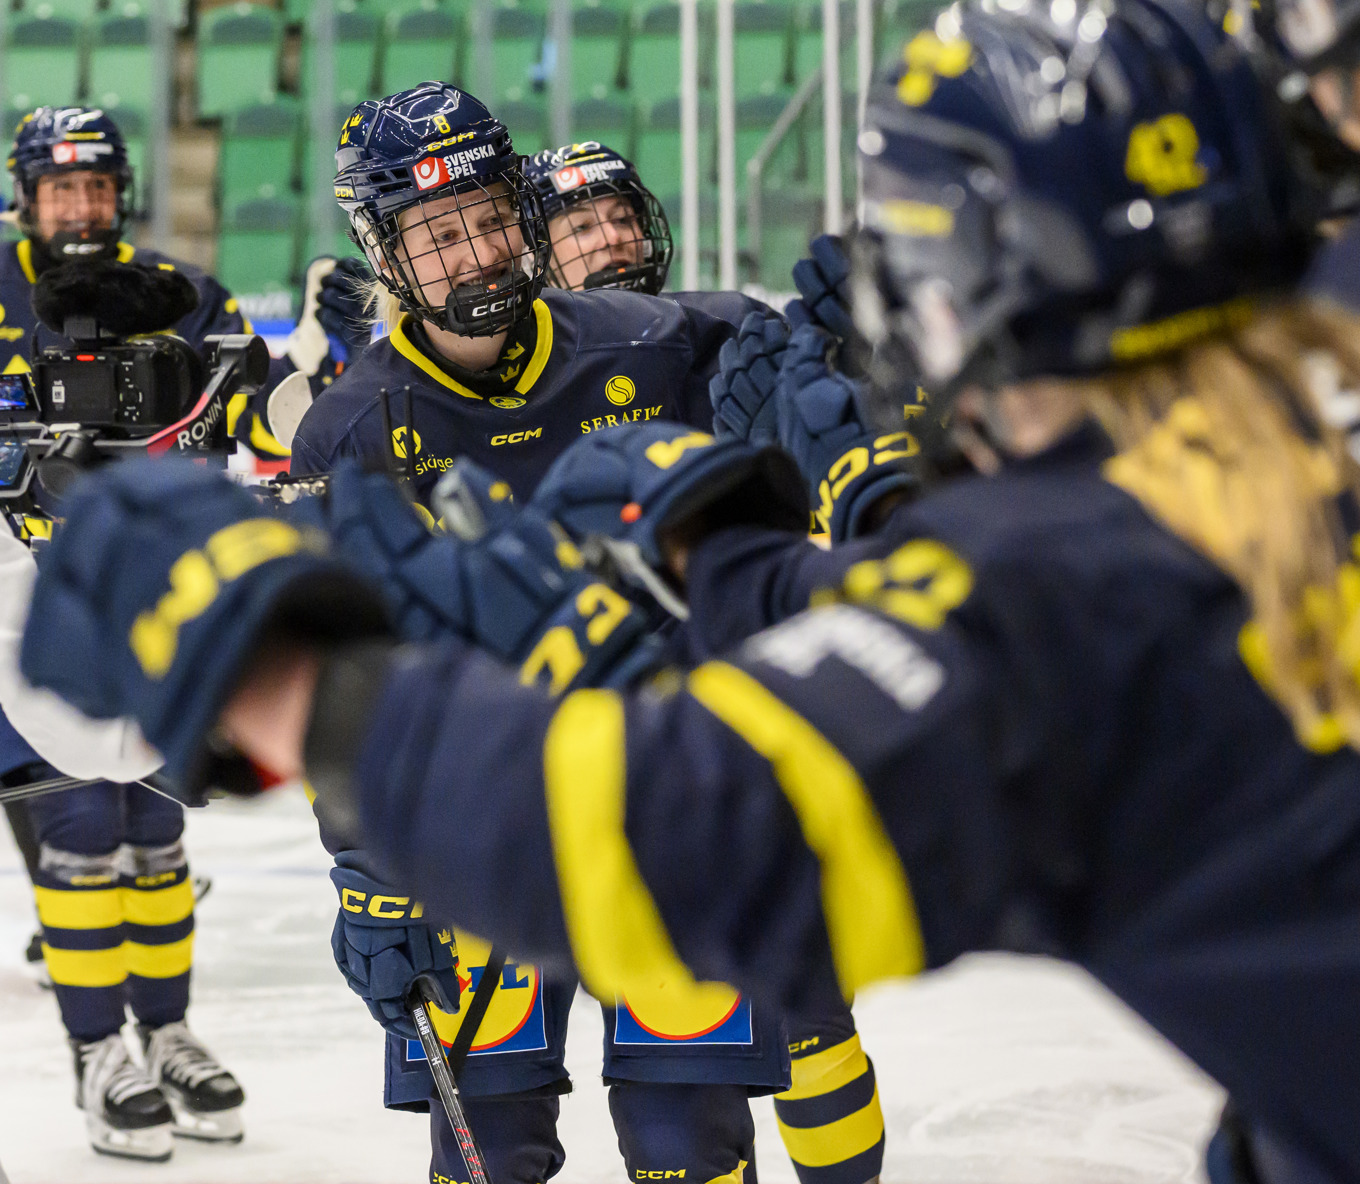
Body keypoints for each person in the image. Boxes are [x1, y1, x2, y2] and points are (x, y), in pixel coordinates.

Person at [288, 83, 796, 1184]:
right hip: (480, 824)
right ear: (387, 251)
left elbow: (791, 437)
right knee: (492, 1150)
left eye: (485, 218)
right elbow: (342, 672)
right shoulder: (353, 430)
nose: (472, 255)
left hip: (667, 800)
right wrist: (367, 872)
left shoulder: (660, 345)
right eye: (436, 236)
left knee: (686, 1142)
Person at [522, 137, 887, 1184]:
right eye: (577, 226)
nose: (608, 240)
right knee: (681, 1087)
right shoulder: (527, 378)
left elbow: (828, 476)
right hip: (599, 759)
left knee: (813, 1019)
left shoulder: (729, 329)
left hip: (754, 731)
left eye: (617, 216)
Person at [0, 107, 250, 1163]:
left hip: (149, 593)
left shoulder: (176, 292)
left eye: (98, 187)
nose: (82, 206)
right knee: (79, 833)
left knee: (156, 832)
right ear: (27, 193)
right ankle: (98, 1050)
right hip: (20, 598)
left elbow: (251, 408)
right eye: (62, 189)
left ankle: (169, 1028)